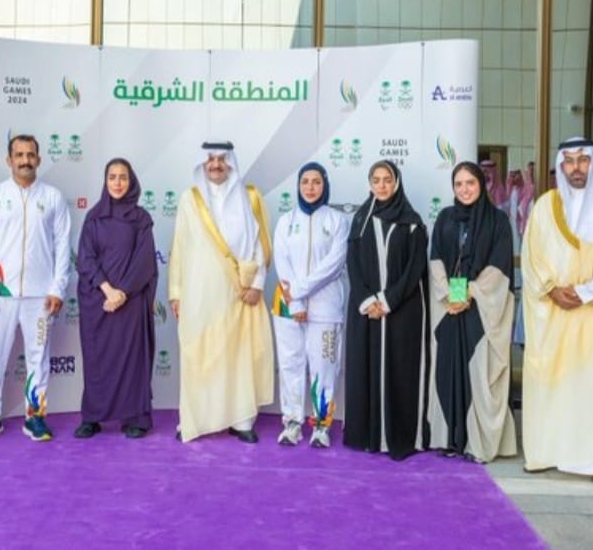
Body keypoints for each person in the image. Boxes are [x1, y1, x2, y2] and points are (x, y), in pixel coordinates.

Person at [521, 138, 593, 484]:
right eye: (569, 161)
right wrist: (551, 289)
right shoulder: (545, 206)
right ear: (561, 166)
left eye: (583, 160)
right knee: (556, 382)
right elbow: (532, 255)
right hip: (556, 313)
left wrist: (586, 292)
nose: (576, 168)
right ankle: (552, 452)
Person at [168, 141, 274, 444]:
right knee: (200, 354)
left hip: (239, 293)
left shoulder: (248, 196)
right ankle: (196, 417)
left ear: (231, 163)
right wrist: (176, 292)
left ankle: (241, 419)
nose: (216, 165)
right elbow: (180, 246)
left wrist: (257, 284)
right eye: (210, 159)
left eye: (221, 159)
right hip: (199, 292)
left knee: (238, 356)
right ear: (202, 163)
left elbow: (259, 244)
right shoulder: (190, 199)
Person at [0, 134, 71, 442]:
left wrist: (57, 288)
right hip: (0, 293)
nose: (25, 160)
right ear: (9, 160)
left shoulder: (53, 197)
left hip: (40, 296)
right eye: (19, 155)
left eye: (30, 155)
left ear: (38, 159)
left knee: (38, 358)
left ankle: (35, 416)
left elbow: (63, 245)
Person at [426, 161, 517, 463]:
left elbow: (499, 265)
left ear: (481, 185)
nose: (464, 189)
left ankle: (478, 444)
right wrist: (453, 296)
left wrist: (469, 293)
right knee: (449, 370)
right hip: (450, 310)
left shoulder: (497, 221)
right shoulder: (445, 218)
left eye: (470, 183)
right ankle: (450, 438)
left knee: (479, 373)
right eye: (458, 184)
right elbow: (436, 259)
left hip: (482, 310)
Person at [343, 160, 429, 460]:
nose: (381, 185)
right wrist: (368, 301)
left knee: (400, 372)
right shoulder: (360, 219)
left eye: (387, 179)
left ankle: (399, 436)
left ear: (397, 182)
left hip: (402, 311)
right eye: (376, 180)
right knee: (366, 369)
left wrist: (387, 300)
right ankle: (367, 435)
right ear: (370, 184)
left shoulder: (413, 222)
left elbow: (414, 269)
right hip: (366, 311)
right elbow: (352, 263)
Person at [74, 158, 157, 439]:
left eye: (123, 177)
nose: (117, 183)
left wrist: (123, 293)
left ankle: (135, 417)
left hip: (130, 303)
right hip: (99, 301)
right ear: (105, 181)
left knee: (132, 361)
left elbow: (145, 261)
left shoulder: (141, 218)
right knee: (97, 360)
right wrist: (108, 290)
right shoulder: (94, 217)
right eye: (112, 177)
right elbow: (85, 258)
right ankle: (93, 417)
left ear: (131, 181)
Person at [271, 162, 350, 448]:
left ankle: (321, 426)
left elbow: (334, 264)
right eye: (305, 181)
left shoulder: (337, 220)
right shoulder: (285, 221)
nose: (310, 187)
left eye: (316, 182)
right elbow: (282, 263)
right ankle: (292, 422)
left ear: (325, 185)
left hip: (325, 308)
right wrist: (295, 302)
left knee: (324, 367)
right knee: (290, 365)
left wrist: (301, 292)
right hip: (287, 307)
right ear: (298, 186)